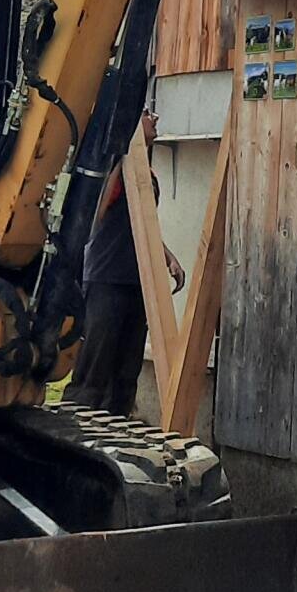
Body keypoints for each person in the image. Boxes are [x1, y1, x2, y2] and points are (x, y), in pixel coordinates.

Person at [64, 109, 184, 414]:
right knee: (95, 367)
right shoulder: (116, 169)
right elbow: (97, 213)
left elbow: (142, 225)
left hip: (137, 281)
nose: (155, 117)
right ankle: (80, 429)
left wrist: (167, 257)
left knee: (126, 372)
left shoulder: (149, 176)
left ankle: (118, 429)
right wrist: (119, 157)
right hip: (106, 278)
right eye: (145, 113)